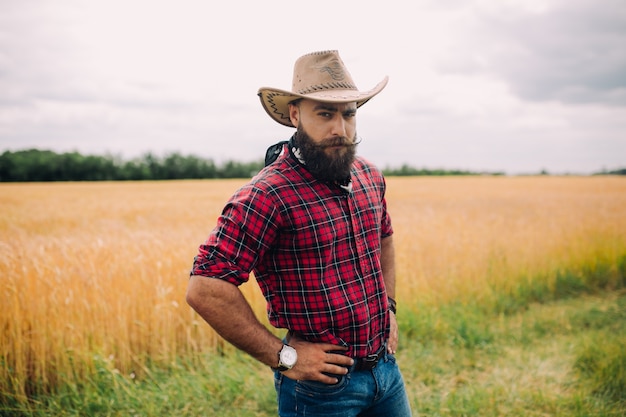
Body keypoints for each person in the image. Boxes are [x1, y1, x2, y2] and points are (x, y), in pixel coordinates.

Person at [186, 50, 412, 416]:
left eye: (348, 113)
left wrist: (389, 308)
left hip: (385, 372)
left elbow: (384, 236)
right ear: (295, 115)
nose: (340, 128)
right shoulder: (267, 194)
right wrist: (285, 357)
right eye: (324, 113)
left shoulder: (369, 175)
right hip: (320, 391)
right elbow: (205, 286)